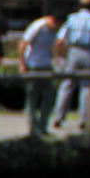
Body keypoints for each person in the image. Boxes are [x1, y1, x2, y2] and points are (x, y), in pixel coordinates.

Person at [52, 0, 90, 130]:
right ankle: (84, 120)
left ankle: (58, 117)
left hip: (73, 51)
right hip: (89, 51)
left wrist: (58, 55)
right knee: (86, 86)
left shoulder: (71, 19)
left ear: (79, 5)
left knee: (67, 84)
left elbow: (60, 39)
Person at [18, 8, 60, 137]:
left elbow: (55, 45)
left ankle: (43, 126)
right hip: (33, 65)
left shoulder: (54, 30)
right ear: (52, 20)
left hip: (46, 65)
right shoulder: (37, 26)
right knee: (32, 97)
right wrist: (22, 63)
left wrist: (56, 59)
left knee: (48, 97)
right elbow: (23, 43)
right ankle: (32, 128)